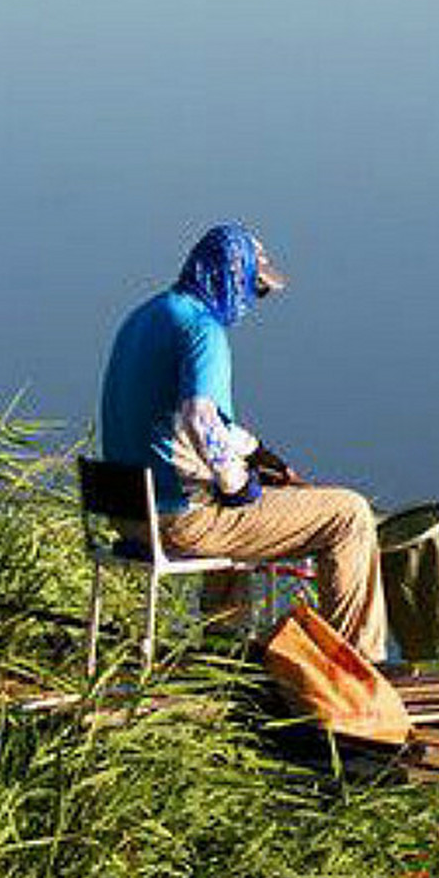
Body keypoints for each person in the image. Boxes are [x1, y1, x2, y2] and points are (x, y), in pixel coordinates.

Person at [98, 222, 389, 662]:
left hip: (128, 513)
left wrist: (257, 455)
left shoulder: (145, 317)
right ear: (231, 277)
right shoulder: (203, 330)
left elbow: (182, 419)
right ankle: (360, 667)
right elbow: (200, 415)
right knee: (350, 515)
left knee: (229, 503)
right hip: (179, 521)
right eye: (255, 287)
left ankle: (219, 652)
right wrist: (237, 482)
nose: (253, 301)